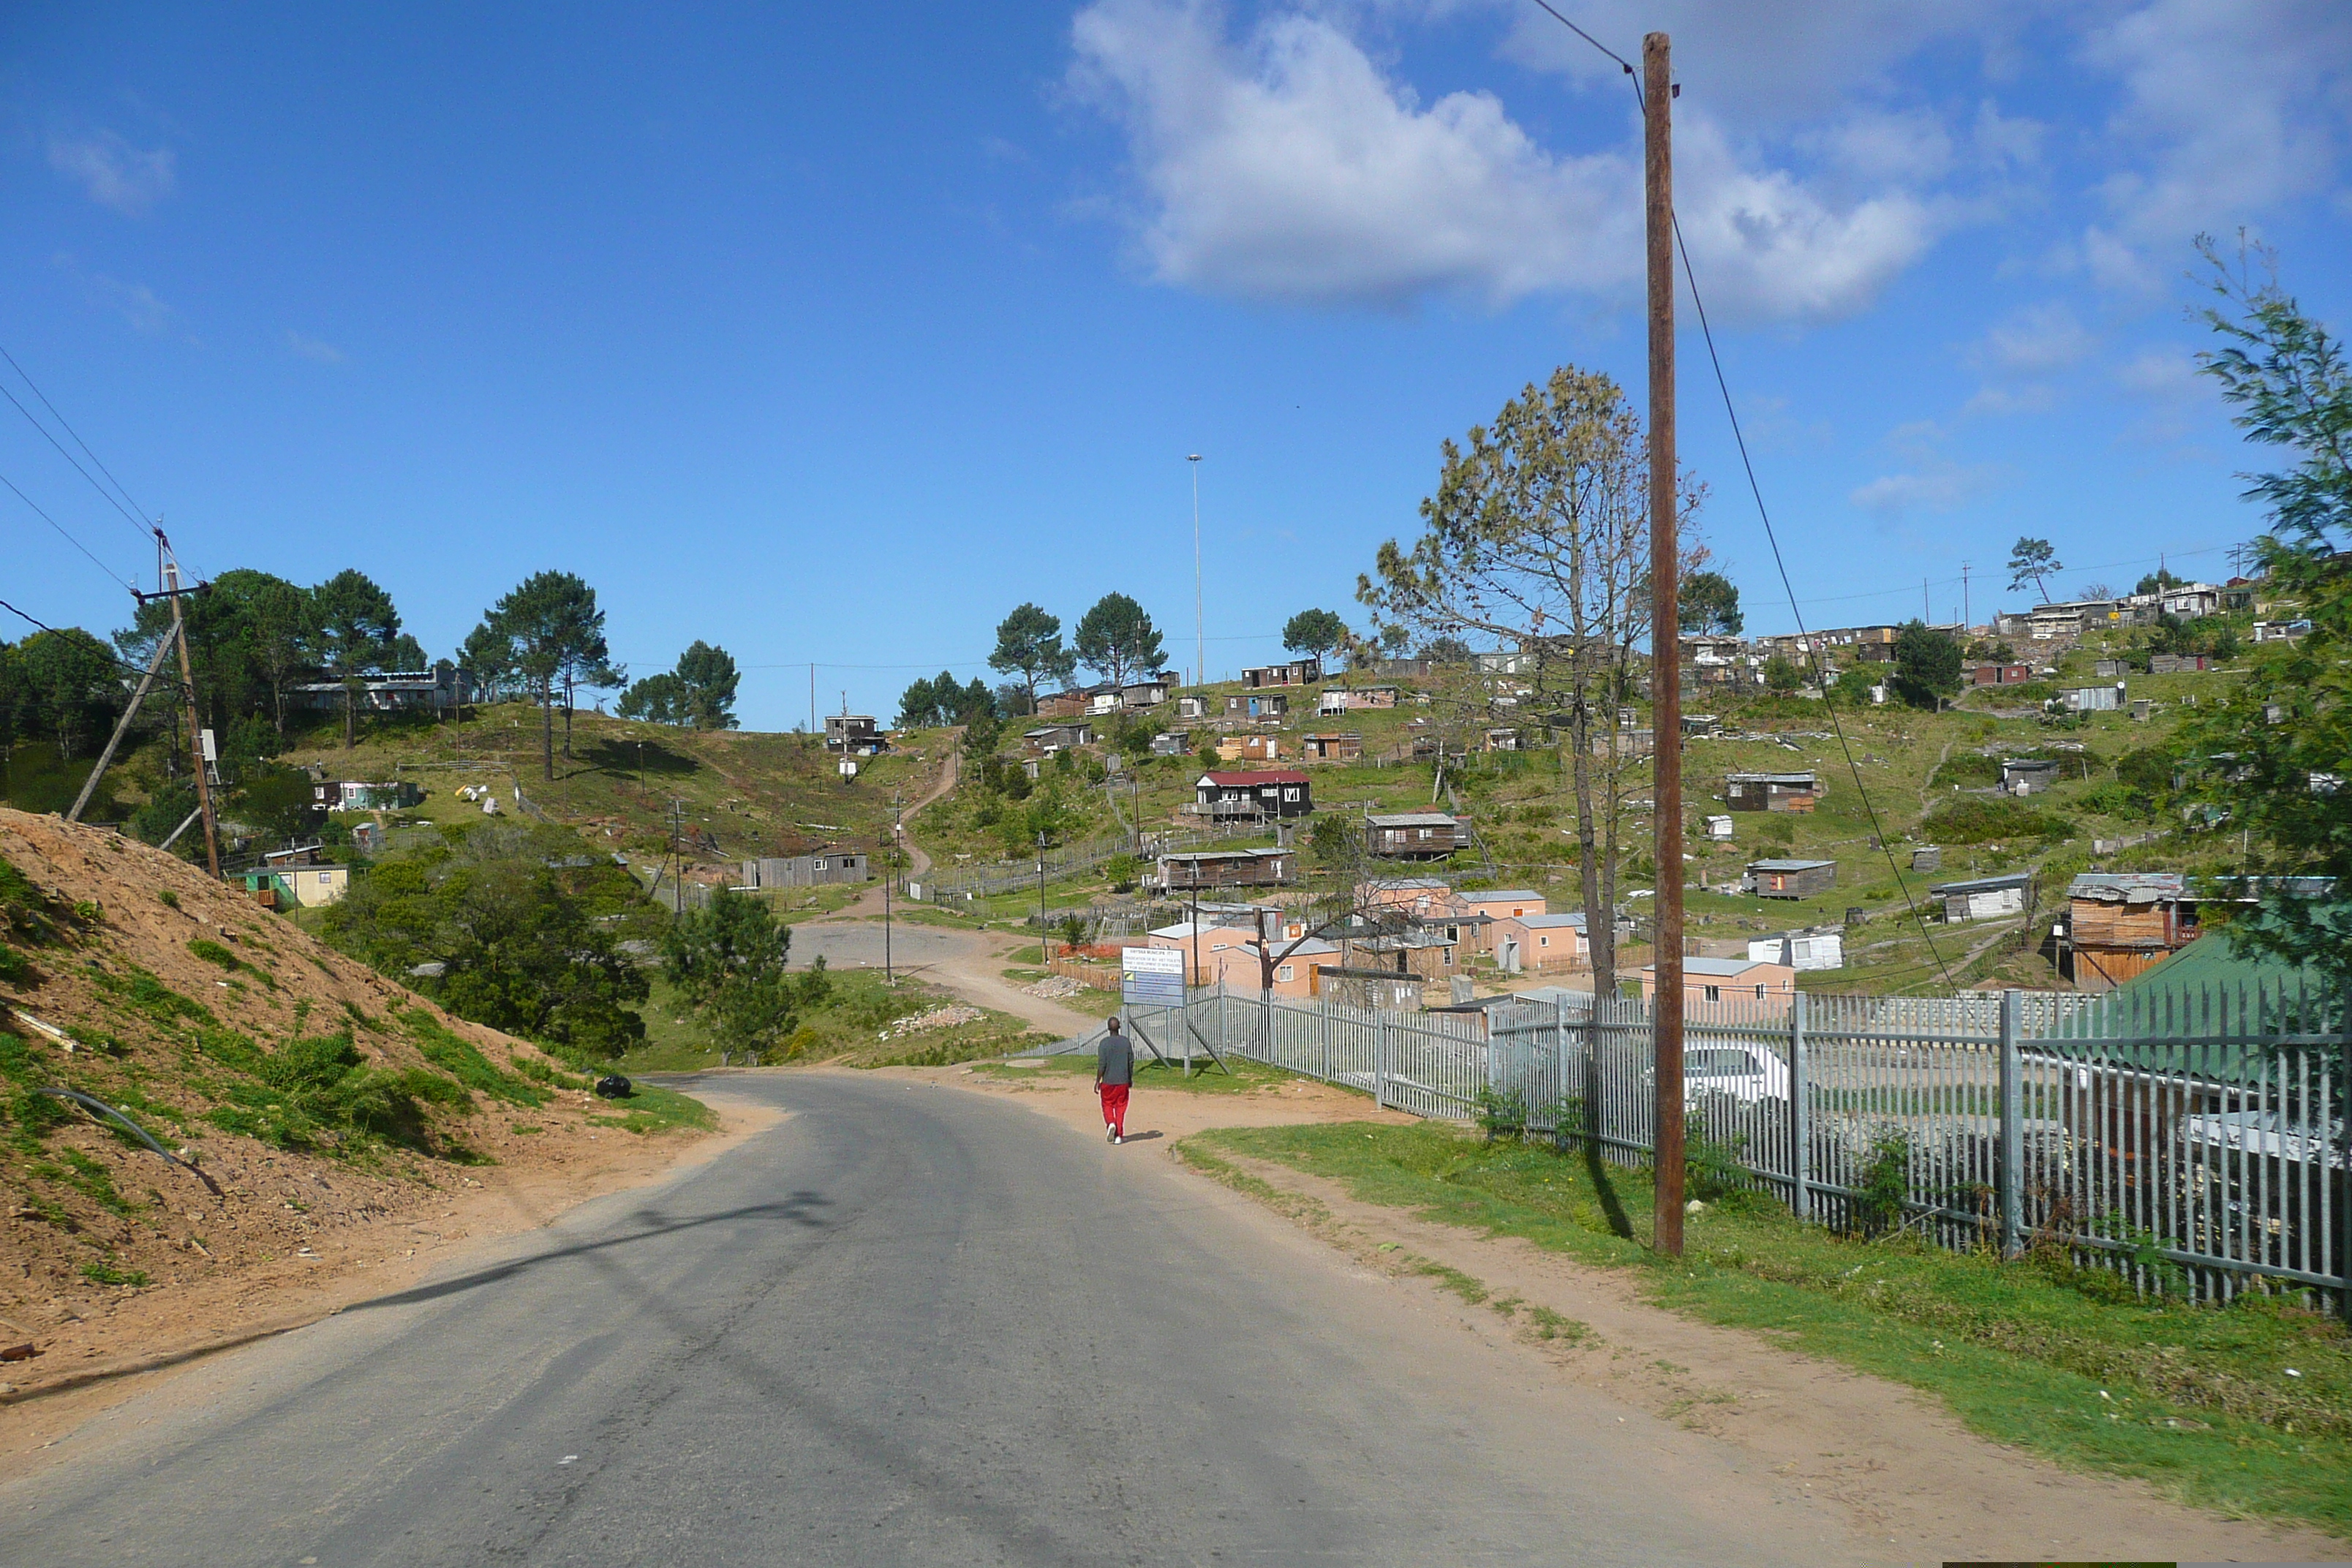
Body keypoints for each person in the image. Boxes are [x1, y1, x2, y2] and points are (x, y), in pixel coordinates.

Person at [1096, 1016, 1134, 1145]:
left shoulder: (1104, 1043)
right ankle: (1119, 1135)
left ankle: (1111, 1123)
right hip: (1122, 1081)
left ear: (1108, 1028)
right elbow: (1130, 1062)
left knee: (1107, 1104)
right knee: (1121, 1107)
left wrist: (1097, 1080)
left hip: (1108, 1081)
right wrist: (1129, 1078)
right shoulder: (1126, 1042)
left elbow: (1102, 1065)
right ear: (1119, 1027)